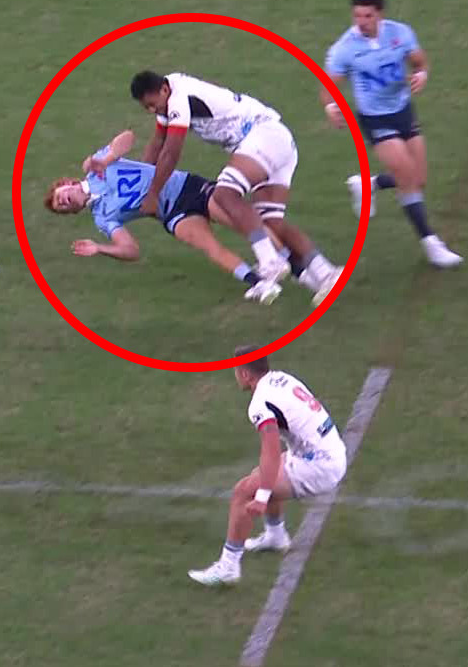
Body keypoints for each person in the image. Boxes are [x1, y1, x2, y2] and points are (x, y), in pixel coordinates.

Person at [132, 70, 343, 305]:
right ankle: (326, 273)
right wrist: (139, 177)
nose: (152, 111)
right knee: (271, 223)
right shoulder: (168, 97)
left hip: (264, 136)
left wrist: (152, 195)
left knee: (224, 194)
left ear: (163, 90)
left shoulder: (179, 99)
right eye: (146, 108)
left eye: (152, 104)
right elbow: (157, 143)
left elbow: (171, 152)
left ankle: (270, 262)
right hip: (276, 141)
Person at [44, 130, 293, 304]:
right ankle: (259, 283)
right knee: (208, 246)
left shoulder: (97, 166)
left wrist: (105, 159)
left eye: (60, 196)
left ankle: (287, 258)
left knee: (242, 222)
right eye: (62, 207)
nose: (62, 202)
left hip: (185, 187)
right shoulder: (102, 217)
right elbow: (131, 250)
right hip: (172, 213)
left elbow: (127, 138)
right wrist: (100, 248)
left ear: (68, 183)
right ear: (74, 211)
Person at [323, 0, 463, 268]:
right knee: (408, 178)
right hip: (376, 120)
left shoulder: (400, 34)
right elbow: (328, 85)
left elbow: (420, 61)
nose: (361, 21)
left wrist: (422, 75)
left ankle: (369, 184)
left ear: (379, 15)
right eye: (357, 15)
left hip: (404, 111)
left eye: (367, 15)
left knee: (418, 178)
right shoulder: (345, 48)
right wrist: (330, 107)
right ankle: (431, 244)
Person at [188, 347, 347, 587]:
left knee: (244, 491)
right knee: (260, 475)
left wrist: (261, 497)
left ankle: (228, 566)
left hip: (319, 464)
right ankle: (276, 536)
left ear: (244, 374)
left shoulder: (260, 403)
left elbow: (271, 452)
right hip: (327, 450)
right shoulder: (282, 378)